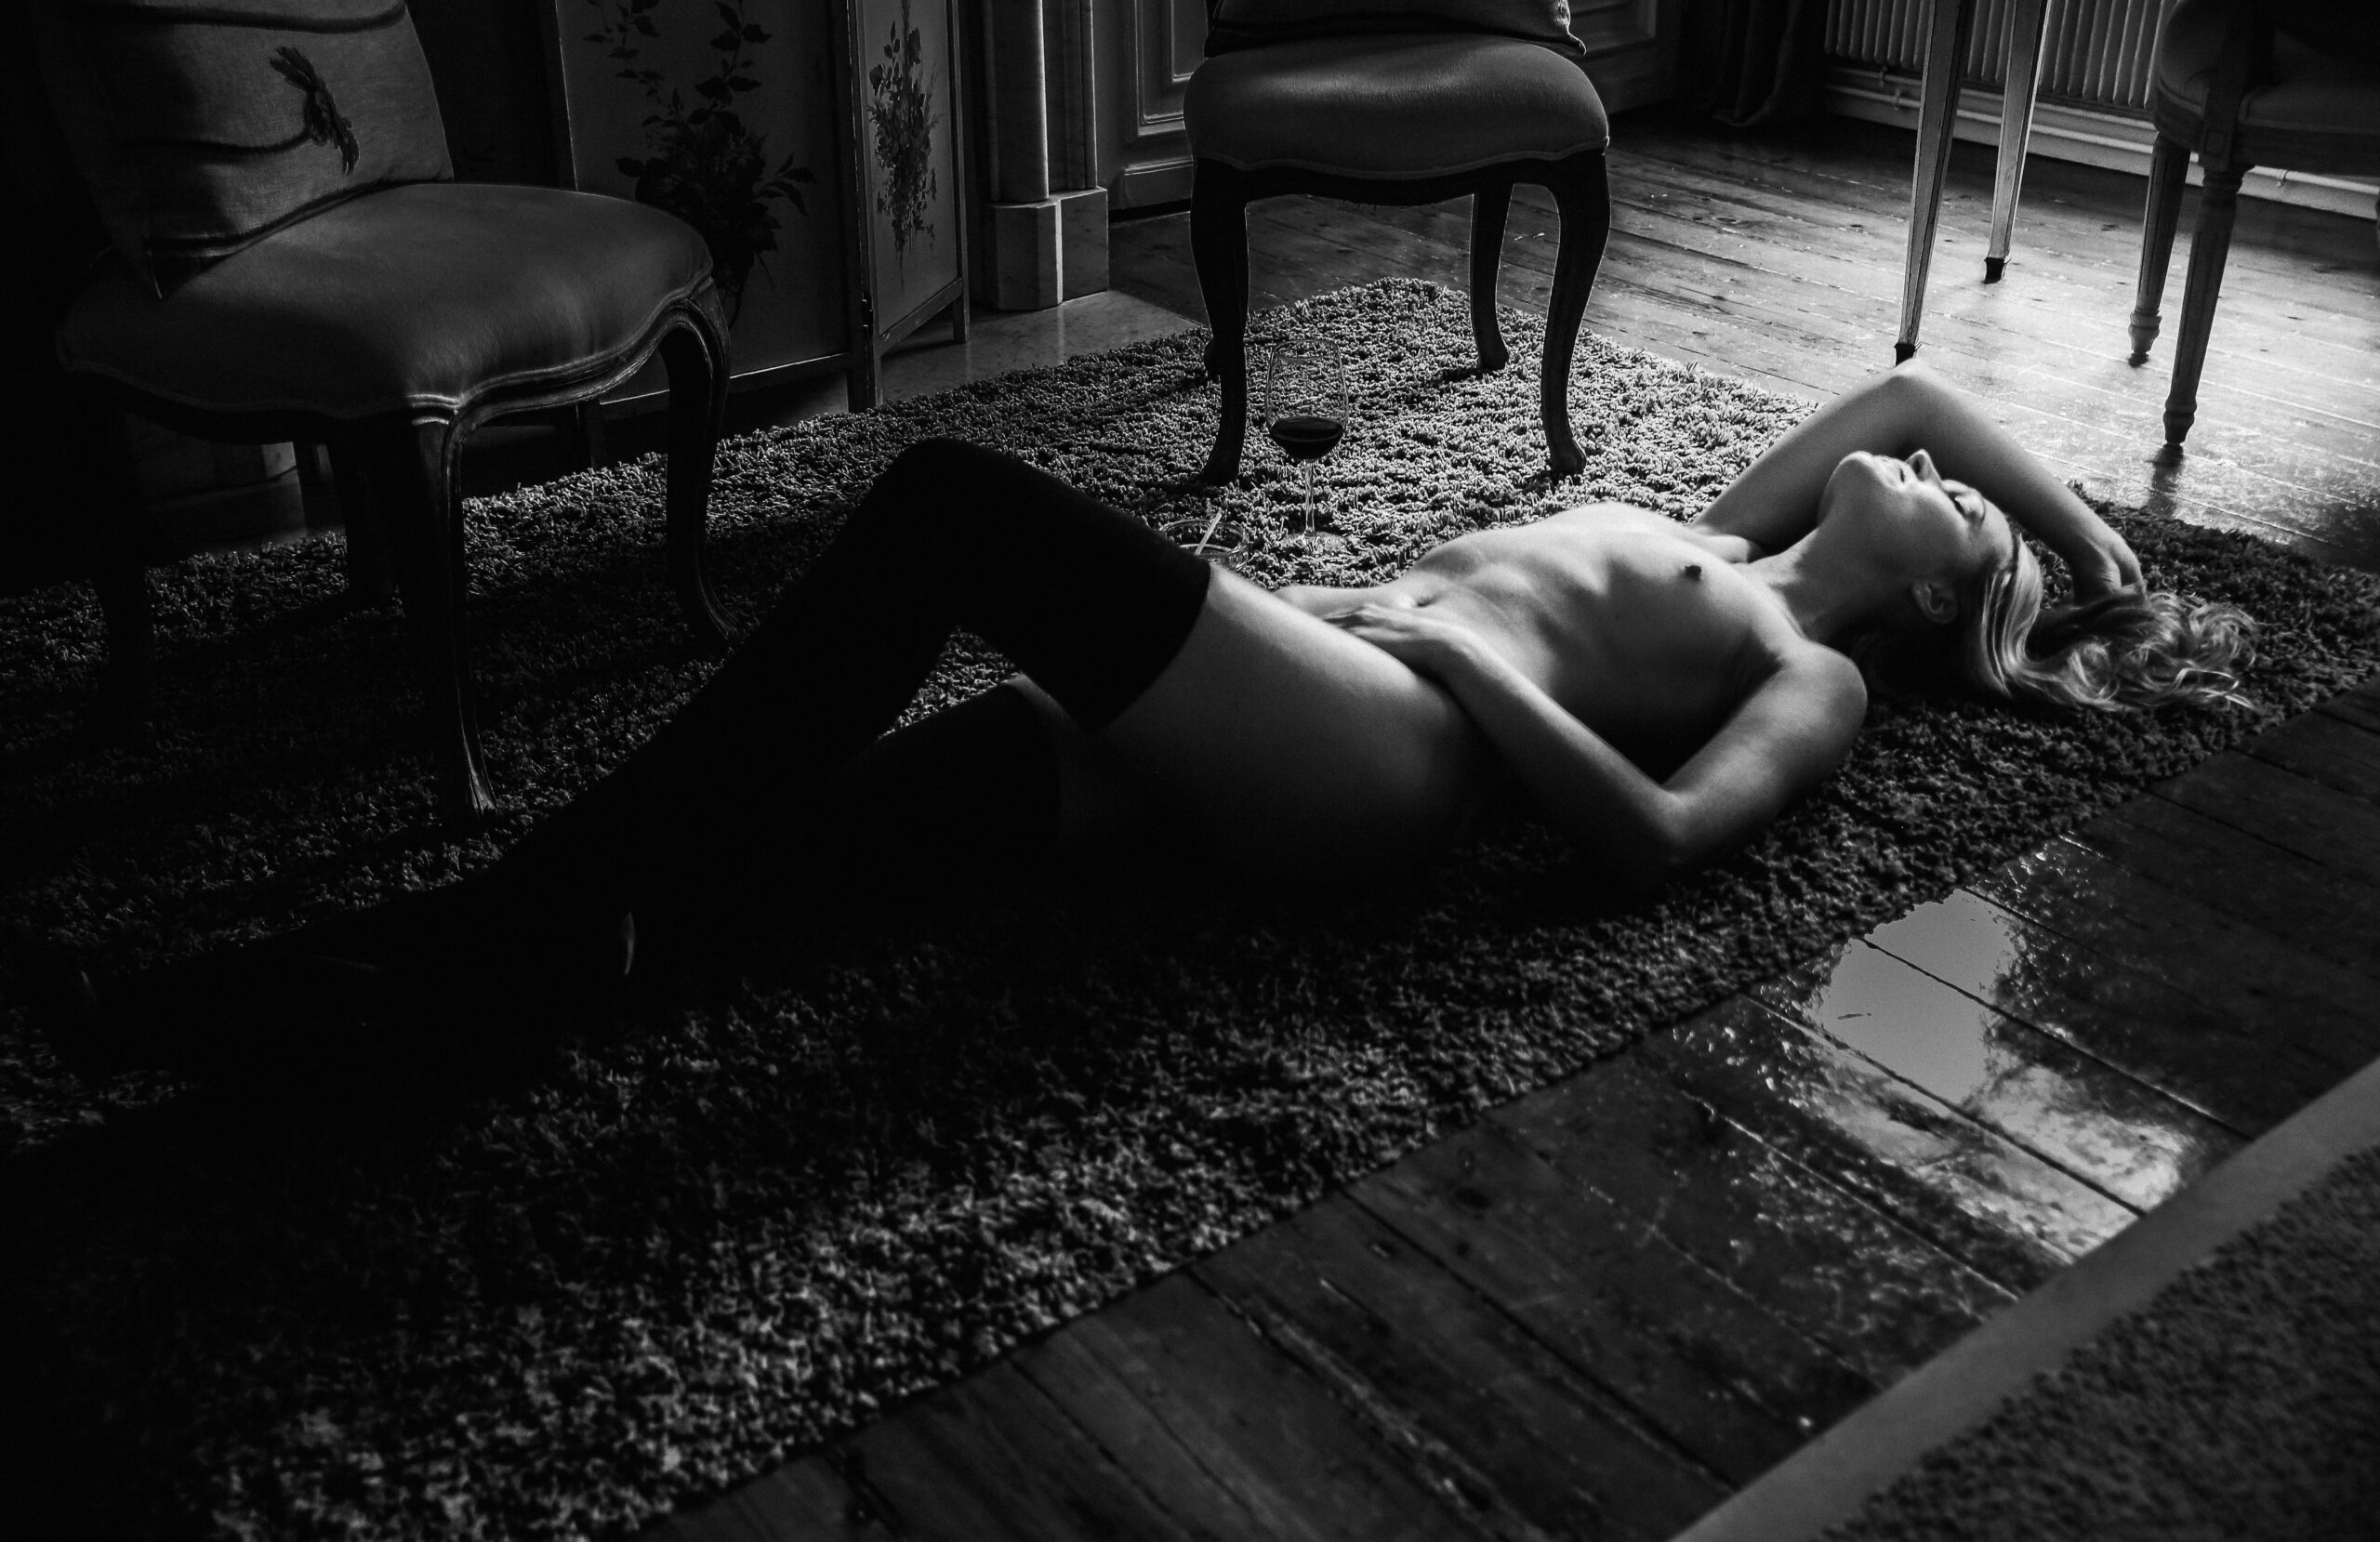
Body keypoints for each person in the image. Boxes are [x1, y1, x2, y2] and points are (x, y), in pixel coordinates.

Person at [32, 360, 2249, 1081]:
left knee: (946, 509)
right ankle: (362, 988)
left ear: (1938, 592)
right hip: (1317, 683)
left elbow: (1655, 849)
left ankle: (502, 917)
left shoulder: (1818, 663)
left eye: (1960, 508)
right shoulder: (1735, 527)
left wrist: (1459, 664)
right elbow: (1909, 386)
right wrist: (2088, 539)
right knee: (822, 840)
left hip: (1383, 757)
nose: (1931, 465)